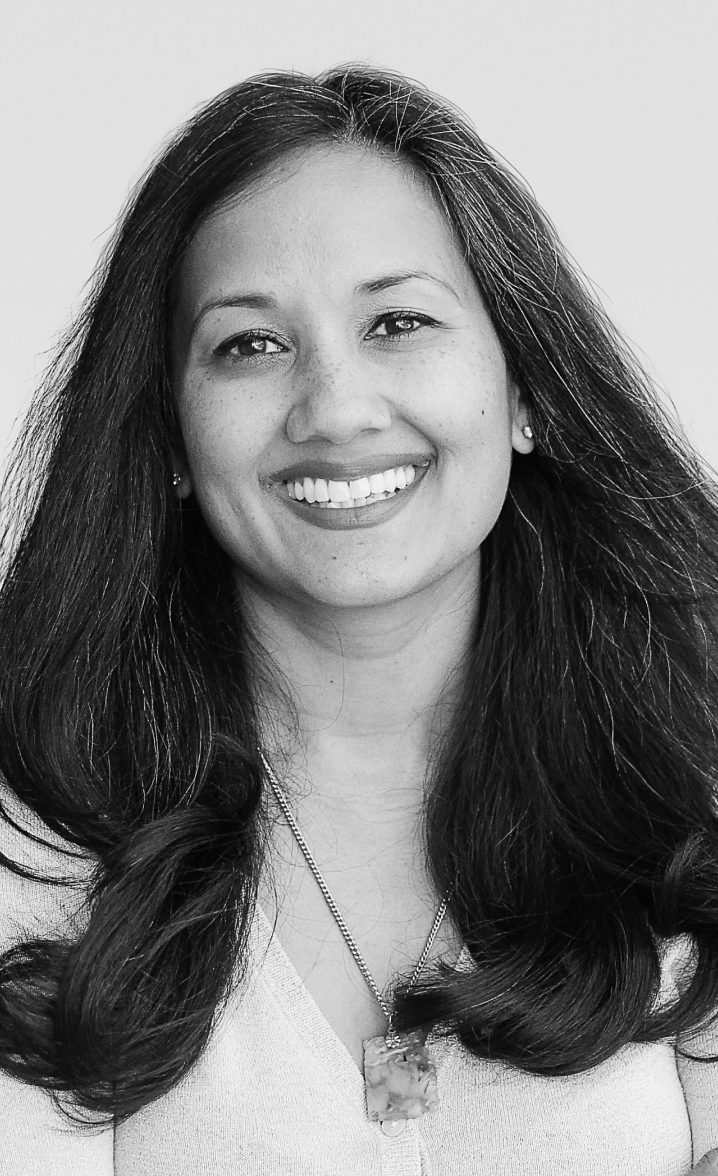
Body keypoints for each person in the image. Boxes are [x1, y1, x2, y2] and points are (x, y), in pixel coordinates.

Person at [0, 65, 717, 1175]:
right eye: (250, 343)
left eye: (399, 321)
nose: (334, 409)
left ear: (525, 391)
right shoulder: (33, 831)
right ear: (172, 437)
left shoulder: (689, 780)